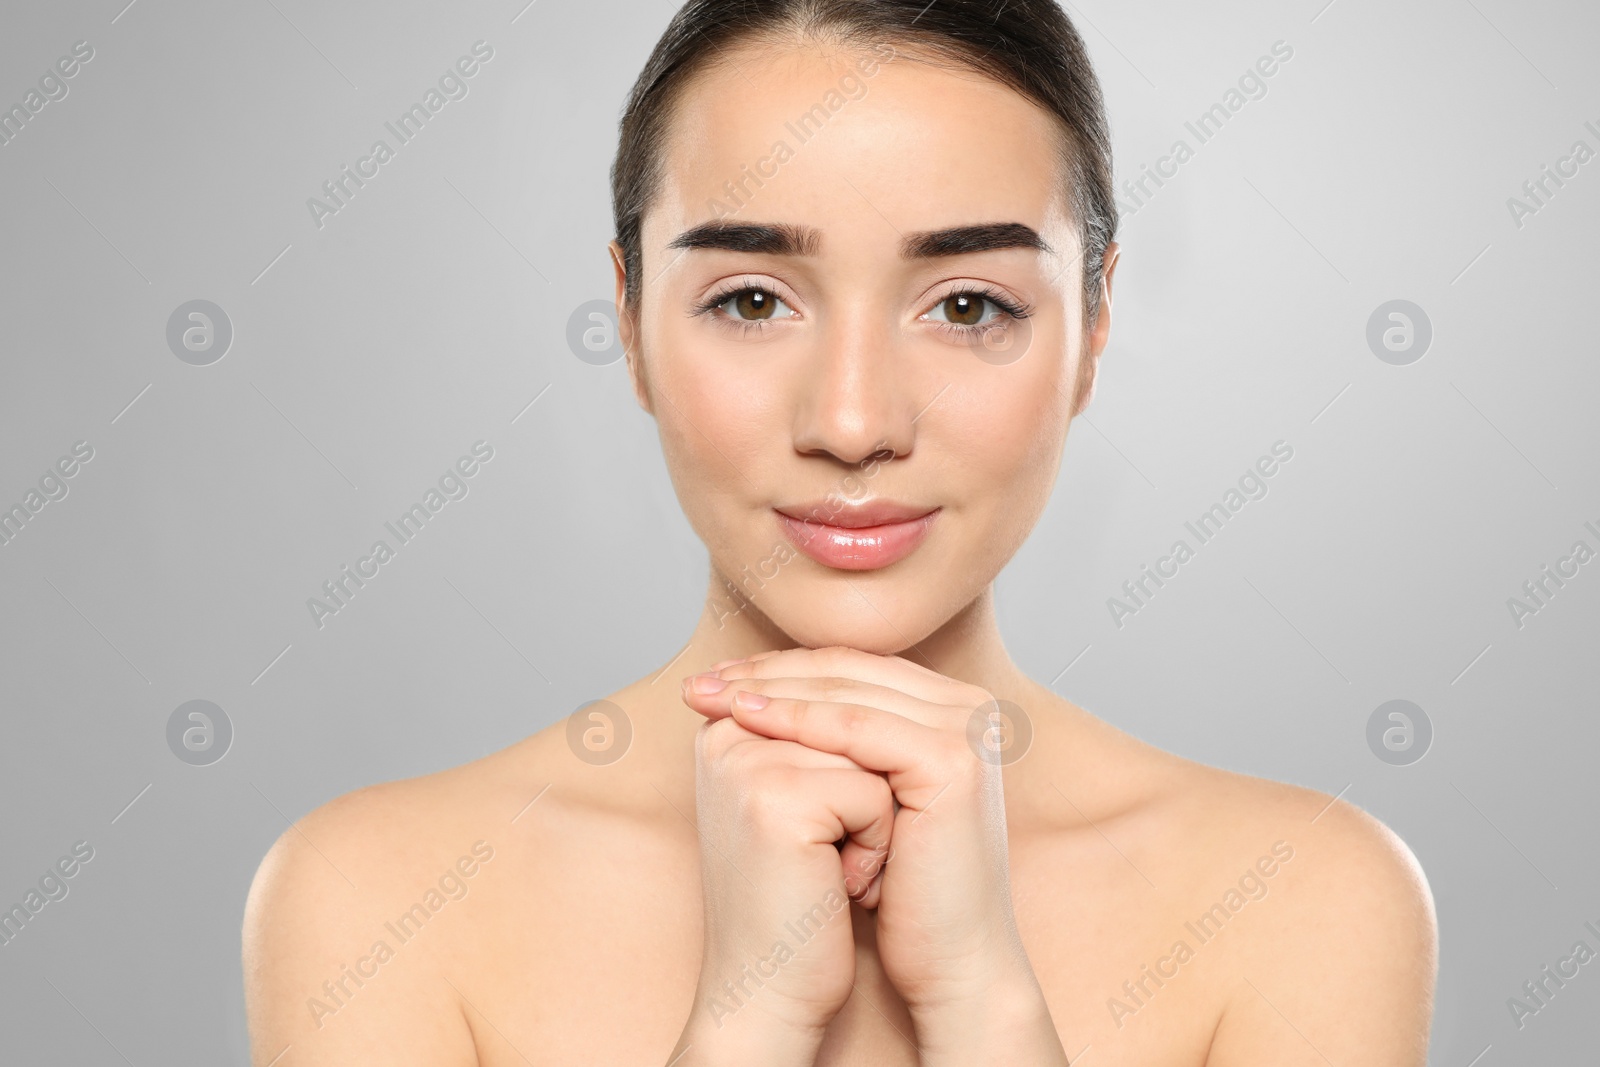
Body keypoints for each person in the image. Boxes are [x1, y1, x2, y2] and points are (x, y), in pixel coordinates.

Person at [243, 1, 1438, 1063]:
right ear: (627, 319)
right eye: (752, 300)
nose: (854, 421)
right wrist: (746, 1023)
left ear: (1093, 324)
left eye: (968, 305)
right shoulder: (374, 899)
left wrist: (986, 1008)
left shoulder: (1308, 900)